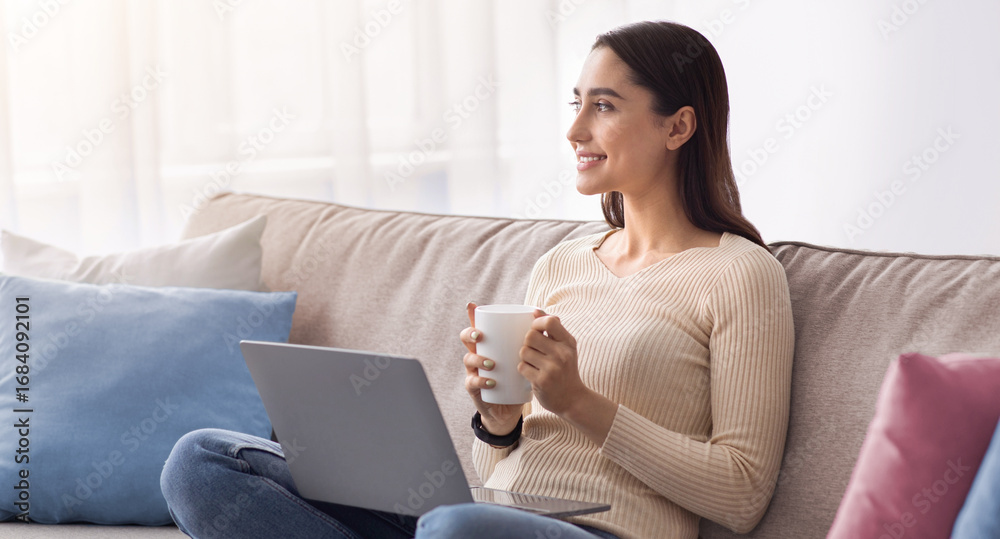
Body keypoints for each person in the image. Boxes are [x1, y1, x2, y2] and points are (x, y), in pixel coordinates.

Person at [159, 20, 794, 539]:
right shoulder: (561, 264)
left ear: (678, 126)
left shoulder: (739, 274)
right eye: (577, 105)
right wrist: (498, 422)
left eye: (603, 107)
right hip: (477, 518)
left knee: (458, 528)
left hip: (595, 534)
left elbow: (741, 495)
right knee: (202, 461)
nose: (575, 130)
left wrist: (580, 403)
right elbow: (495, 472)